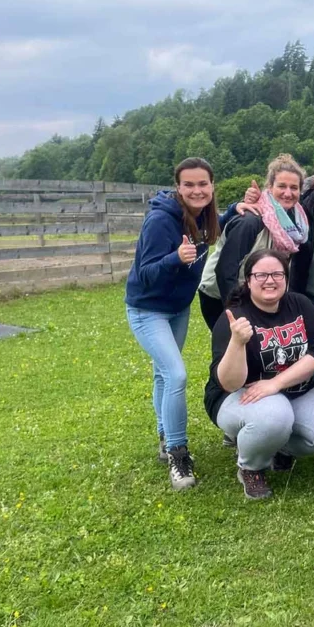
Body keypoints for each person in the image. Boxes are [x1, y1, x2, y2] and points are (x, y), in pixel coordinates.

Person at [204, 249, 314, 500]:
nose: (270, 280)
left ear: (286, 278)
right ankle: (250, 466)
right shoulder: (235, 318)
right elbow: (228, 382)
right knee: (275, 415)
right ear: (248, 281)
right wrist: (237, 342)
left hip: (292, 390)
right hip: (240, 396)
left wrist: (276, 383)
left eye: (277, 274)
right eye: (261, 275)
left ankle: (274, 446)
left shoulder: (300, 304)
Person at [125, 157, 221, 490]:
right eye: (189, 184)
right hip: (147, 309)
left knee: (162, 375)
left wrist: (239, 208)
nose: (197, 190)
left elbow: (220, 219)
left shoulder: (203, 218)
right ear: (178, 187)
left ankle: (165, 439)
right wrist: (174, 259)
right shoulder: (160, 222)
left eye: (203, 184)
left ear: (211, 187)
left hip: (178, 309)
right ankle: (179, 454)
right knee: (176, 374)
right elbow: (146, 274)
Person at [197, 154, 308, 331]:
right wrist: (237, 312)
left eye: (294, 187)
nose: (288, 193)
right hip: (220, 294)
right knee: (233, 353)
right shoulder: (250, 222)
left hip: (255, 293)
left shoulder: (297, 224)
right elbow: (225, 270)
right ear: (270, 187)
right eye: (281, 186)